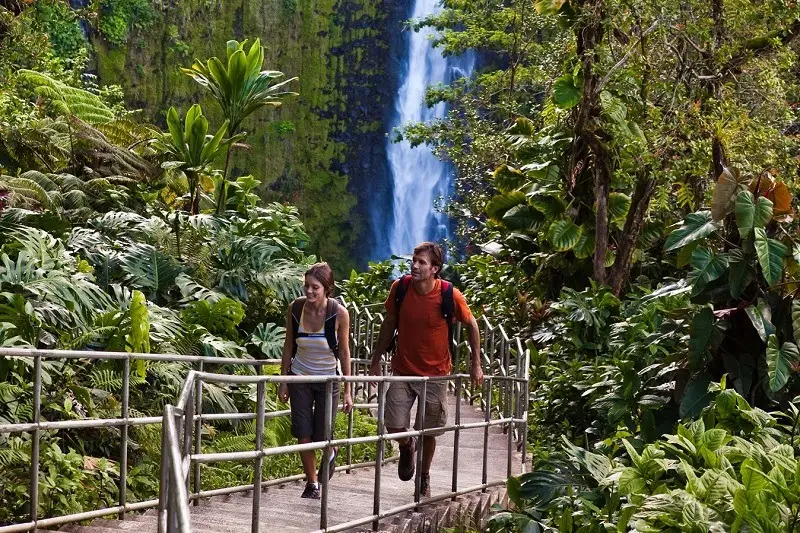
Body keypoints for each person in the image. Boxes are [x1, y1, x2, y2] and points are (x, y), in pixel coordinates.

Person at [369, 242, 483, 497]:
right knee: (393, 423)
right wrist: (376, 358)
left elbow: (472, 325)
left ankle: (424, 476)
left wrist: (476, 364)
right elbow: (389, 323)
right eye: (414, 260)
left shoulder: (449, 294)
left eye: (422, 262)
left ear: (435, 269)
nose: (415, 266)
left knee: (430, 430)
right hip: (403, 369)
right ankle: (408, 444)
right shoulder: (401, 288)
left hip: (436, 373)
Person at [278, 262, 353, 499]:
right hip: (300, 376)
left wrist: (348, 390)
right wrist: (284, 380)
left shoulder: (339, 313)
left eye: (315, 288)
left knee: (322, 435)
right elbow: (289, 345)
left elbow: (344, 352)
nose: (309, 292)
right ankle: (312, 483)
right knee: (303, 431)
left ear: (327, 289)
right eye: (306, 286)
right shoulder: (295, 309)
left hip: (328, 380)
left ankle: (331, 449)